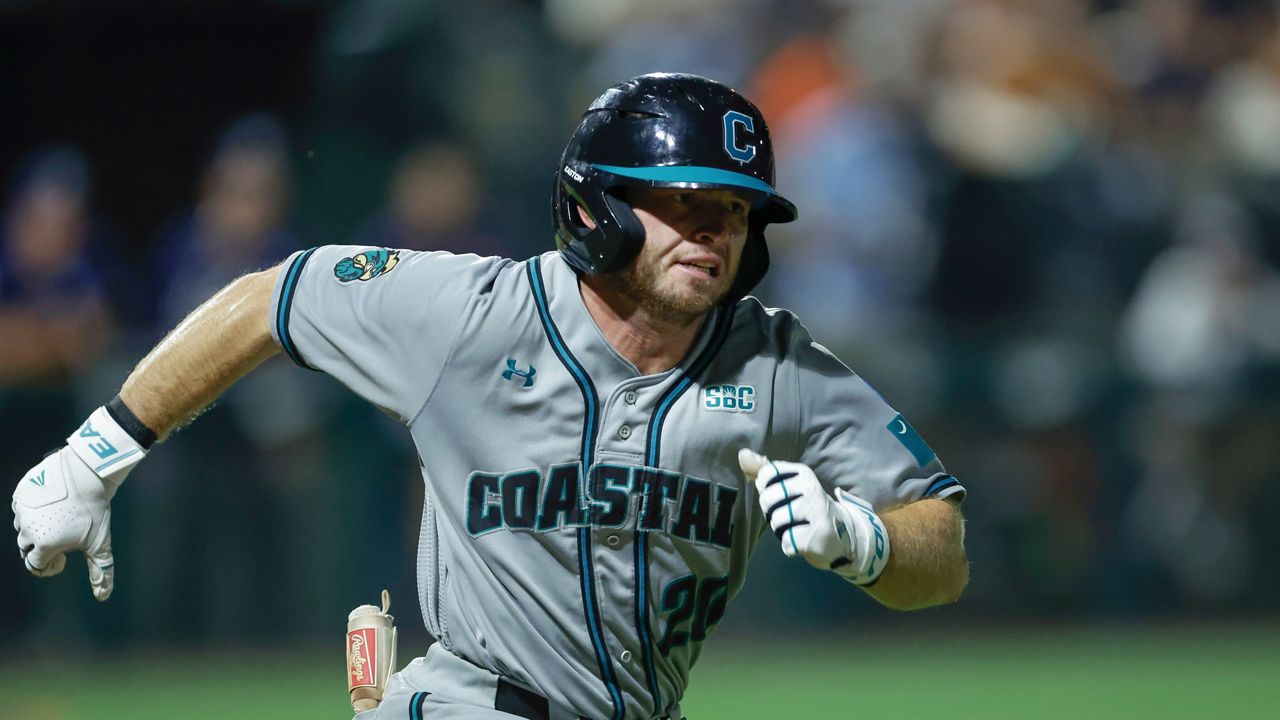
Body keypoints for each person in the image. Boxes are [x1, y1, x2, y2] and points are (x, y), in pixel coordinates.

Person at [12, 73, 968, 720]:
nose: (711, 231)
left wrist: (868, 542)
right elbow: (273, 298)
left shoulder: (778, 365)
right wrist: (96, 455)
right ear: (598, 205)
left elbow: (944, 545)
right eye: (680, 201)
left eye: (731, 210)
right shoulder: (474, 316)